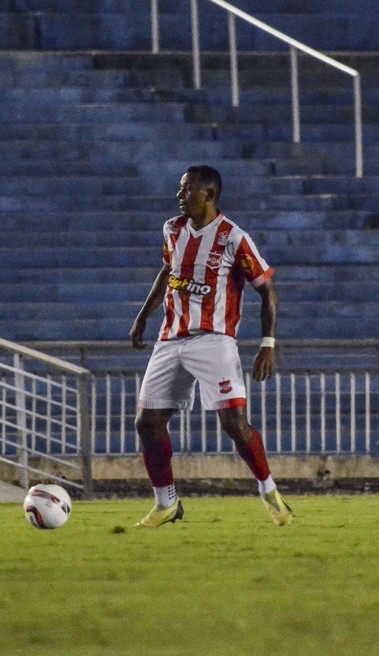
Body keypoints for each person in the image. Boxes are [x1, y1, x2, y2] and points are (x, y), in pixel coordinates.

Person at [129, 164, 293, 528]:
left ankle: (269, 492)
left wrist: (268, 343)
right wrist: (143, 315)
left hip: (214, 340)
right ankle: (166, 503)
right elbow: (167, 271)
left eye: (186, 189)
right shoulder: (172, 229)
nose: (179, 195)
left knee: (234, 424)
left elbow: (267, 289)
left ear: (209, 194)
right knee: (147, 422)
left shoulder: (233, 238)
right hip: (171, 338)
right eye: (180, 189)